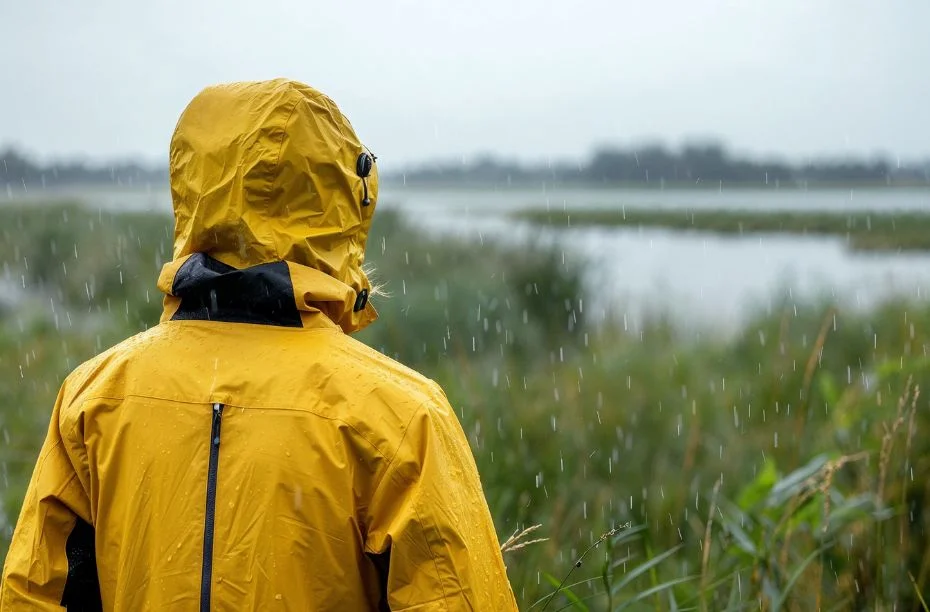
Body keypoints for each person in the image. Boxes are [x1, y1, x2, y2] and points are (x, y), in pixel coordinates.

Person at [1, 79, 519, 611]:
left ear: (192, 192)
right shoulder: (400, 415)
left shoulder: (94, 395)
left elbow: (32, 596)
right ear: (343, 202)